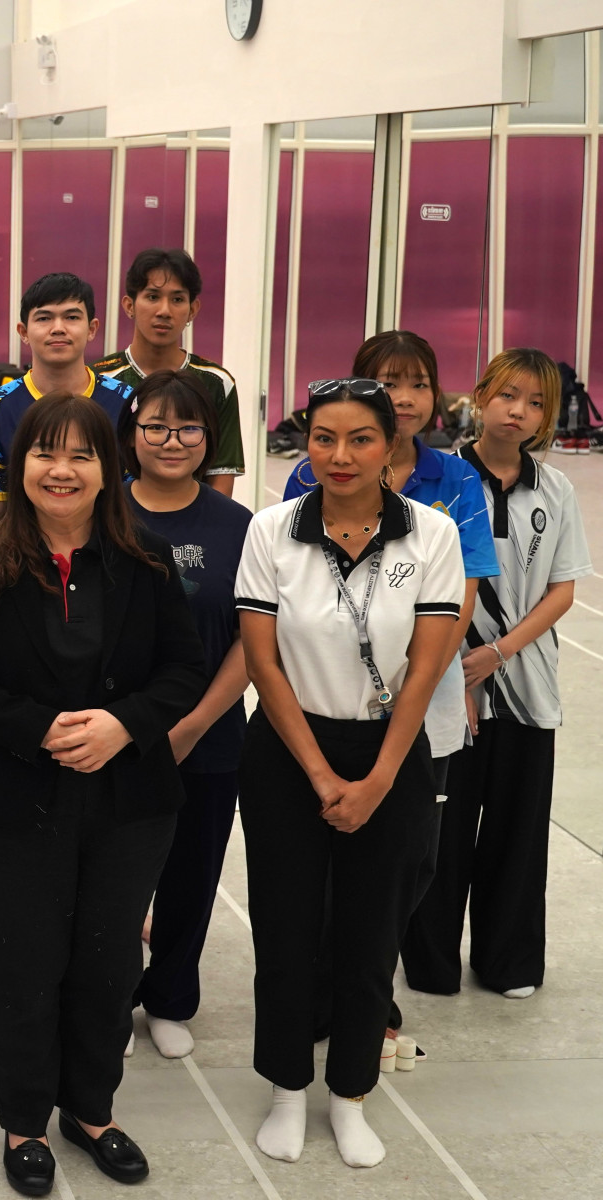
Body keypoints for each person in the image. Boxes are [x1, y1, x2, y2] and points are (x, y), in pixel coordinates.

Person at [0, 395, 205, 1197]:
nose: (62, 470)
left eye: (82, 455)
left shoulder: (147, 560)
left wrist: (123, 725)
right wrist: (38, 728)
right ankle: (24, 1121)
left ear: (109, 469)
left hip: (128, 800)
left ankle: (91, 1111)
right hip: (14, 798)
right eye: (45, 453)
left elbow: (184, 669)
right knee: (19, 966)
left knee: (107, 963)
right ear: (19, 466)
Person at [235, 379, 464, 1169]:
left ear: (390, 445)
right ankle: (286, 1089)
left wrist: (377, 780)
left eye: (360, 439)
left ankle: (351, 1094)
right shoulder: (272, 530)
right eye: (324, 438)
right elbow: (262, 662)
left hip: (389, 751)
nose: (340, 455)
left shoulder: (431, 535)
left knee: (372, 934)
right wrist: (319, 774)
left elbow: (427, 668)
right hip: (287, 749)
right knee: (286, 929)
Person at [283, 332, 497, 1034]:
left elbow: (463, 590)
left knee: (408, 856)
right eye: (388, 382)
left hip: (423, 695)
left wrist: (418, 677)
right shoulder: (309, 474)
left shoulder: (455, 479)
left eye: (418, 383)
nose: (404, 397)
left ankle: (367, 985)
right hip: (327, 698)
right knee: (323, 853)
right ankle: (323, 988)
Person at [403, 349, 593, 999]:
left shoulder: (556, 489)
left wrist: (500, 653)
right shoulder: (445, 479)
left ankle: (509, 960)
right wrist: (456, 672)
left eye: (536, 403)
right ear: (480, 395)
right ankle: (429, 962)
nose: (519, 411)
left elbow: (563, 591)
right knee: (444, 829)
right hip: (448, 682)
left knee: (518, 830)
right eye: (508, 395)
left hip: (527, 687)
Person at [115, 372, 252, 1059]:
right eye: (156, 427)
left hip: (211, 733)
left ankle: (170, 997)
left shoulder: (240, 525)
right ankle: (110, 999)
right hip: (115, 734)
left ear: (210, 438)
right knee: (113, 876)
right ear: (131, 434)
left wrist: (193, 725)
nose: (172, 442)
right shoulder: (101, 510)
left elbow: (256, 639)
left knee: (192, 872)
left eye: (189, 428)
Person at [0, 272, 133, 536]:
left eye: (72, 317)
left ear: (92, 329)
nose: (58, 328)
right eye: (44, 318)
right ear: (23, 332)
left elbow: (140, 501)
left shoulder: (128, 403)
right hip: (18, 557)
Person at [93, 248, 243, 496]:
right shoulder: (97, 380)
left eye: (177, 299)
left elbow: (221, 479)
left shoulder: (217, 383)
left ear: (193, 309)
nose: (164, 310)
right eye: (152, 297)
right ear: (129, 305)